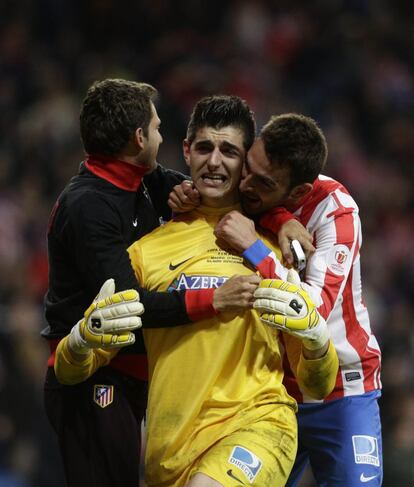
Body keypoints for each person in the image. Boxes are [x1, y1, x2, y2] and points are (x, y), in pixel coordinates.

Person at [55, 95, 339, 486]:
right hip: (169, 452)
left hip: (258, 425)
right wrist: (81, 341)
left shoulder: (274, 248)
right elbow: (74, 371)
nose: (215, 161)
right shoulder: (146, 251)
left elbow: (317, 383)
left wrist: (316, 338)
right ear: (187, 152)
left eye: (229, 151)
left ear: (245, 165)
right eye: (204, 147)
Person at [42, 79, 256, 487]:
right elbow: (129, 307)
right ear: (139, 137)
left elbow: (205, 188)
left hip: (137, 375)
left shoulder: (136, 179)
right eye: (157, 128)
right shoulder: (89, 206)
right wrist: (212, 300)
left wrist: (186, 190)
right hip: (93, 375)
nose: (162, 136)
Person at [211, 113, 383, 486]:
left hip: (341, 391)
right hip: (269, 392)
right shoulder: (248, 194)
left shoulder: (337, 214)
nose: (244, 184)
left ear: (300, 192)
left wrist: (256, 249)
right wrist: (277, 216)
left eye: (263, 182)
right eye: (247, 169)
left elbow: (313, 312)